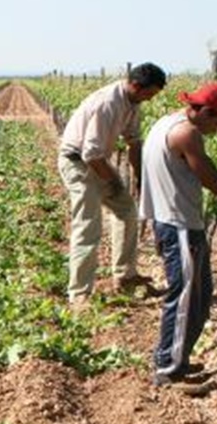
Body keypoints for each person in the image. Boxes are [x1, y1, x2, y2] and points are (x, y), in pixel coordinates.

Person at [138, 83, 217, 387]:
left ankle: (178, 359)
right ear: (206, 112)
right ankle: (168, 368)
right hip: (180, 227)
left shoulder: (165, 122)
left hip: (171, 223)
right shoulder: (187, 133)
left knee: (199, 296)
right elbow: (216, 182)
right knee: (185, 297)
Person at [58, 62, 167, 309]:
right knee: (88, 225)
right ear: (136, 85)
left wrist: (140, 177)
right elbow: (91, 154)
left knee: (127, 211)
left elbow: (134, 142)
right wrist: (112, 181)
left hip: (97, 162)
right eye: (149, 94)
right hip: (77, 162)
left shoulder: (132, 103)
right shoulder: (108, 104)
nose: (150, 99)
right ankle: (79, 294)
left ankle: (125, 276)